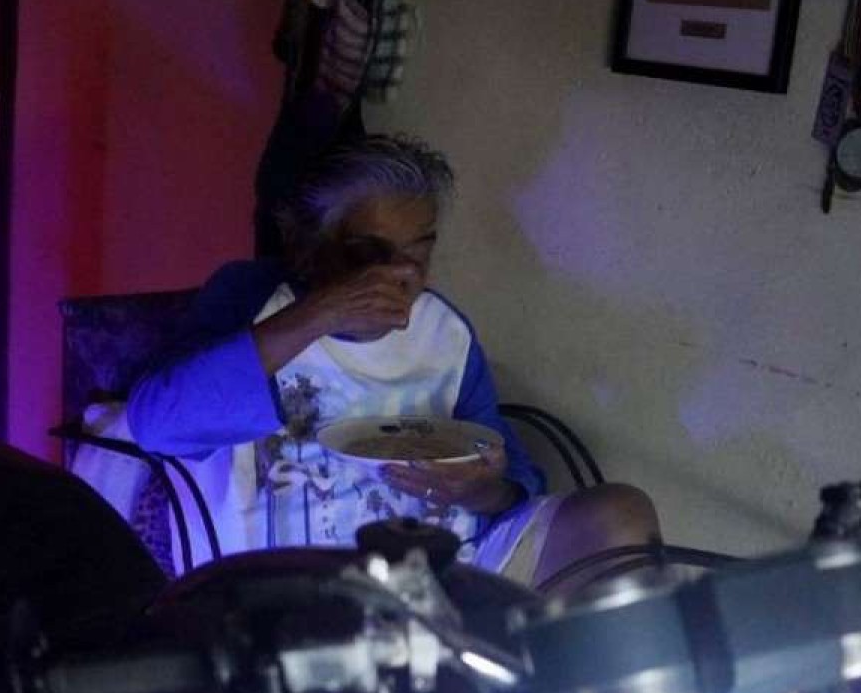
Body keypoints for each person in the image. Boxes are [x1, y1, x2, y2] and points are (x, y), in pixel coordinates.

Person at [125, 134, 658, 590]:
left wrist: (482, 488)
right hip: (292, 582)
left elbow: (510, 476)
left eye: (417, 254)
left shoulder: (444, 332)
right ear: (308, 245)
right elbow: (156, 422)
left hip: (439, 573)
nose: (399, 276)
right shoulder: (252, 302)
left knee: (619, 514)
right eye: (369, 253)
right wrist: (319, 314)